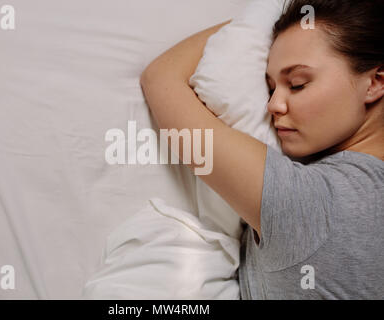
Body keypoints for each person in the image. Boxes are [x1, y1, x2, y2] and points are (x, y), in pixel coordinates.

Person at [140, 0, 383, 300]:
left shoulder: (309, 203)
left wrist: (262, 17)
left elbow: (162, 78)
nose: (272, 105)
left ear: (375, 82)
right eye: (270, 89)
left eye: (297, 84)